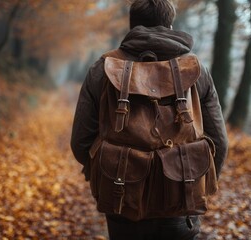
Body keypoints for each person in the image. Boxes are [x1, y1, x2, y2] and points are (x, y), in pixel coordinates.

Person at [70, 0, 228, 239]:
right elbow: (219, 142)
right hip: (181, 197)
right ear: (170, 25)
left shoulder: (103, 68)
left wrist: (107, 172)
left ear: (133, 25)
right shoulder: (197, 70)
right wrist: (196, 178)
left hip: (122, 196)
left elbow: (81, 142)